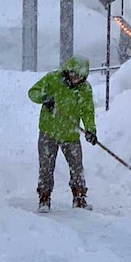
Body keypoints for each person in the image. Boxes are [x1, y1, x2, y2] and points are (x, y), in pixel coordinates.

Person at [27, 55, 97, 212]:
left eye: (79, 76)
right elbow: (32, 92)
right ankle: (44, 199)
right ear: (67, 71)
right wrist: (45, 98)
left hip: (71, 135)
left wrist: (90, 130)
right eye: (73, 73)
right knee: (46, 167)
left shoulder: (85, 89)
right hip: (48, 132)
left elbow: (88, 111)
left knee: (76, 167)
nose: (75, 78)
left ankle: (79, 198)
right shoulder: (53, 79)